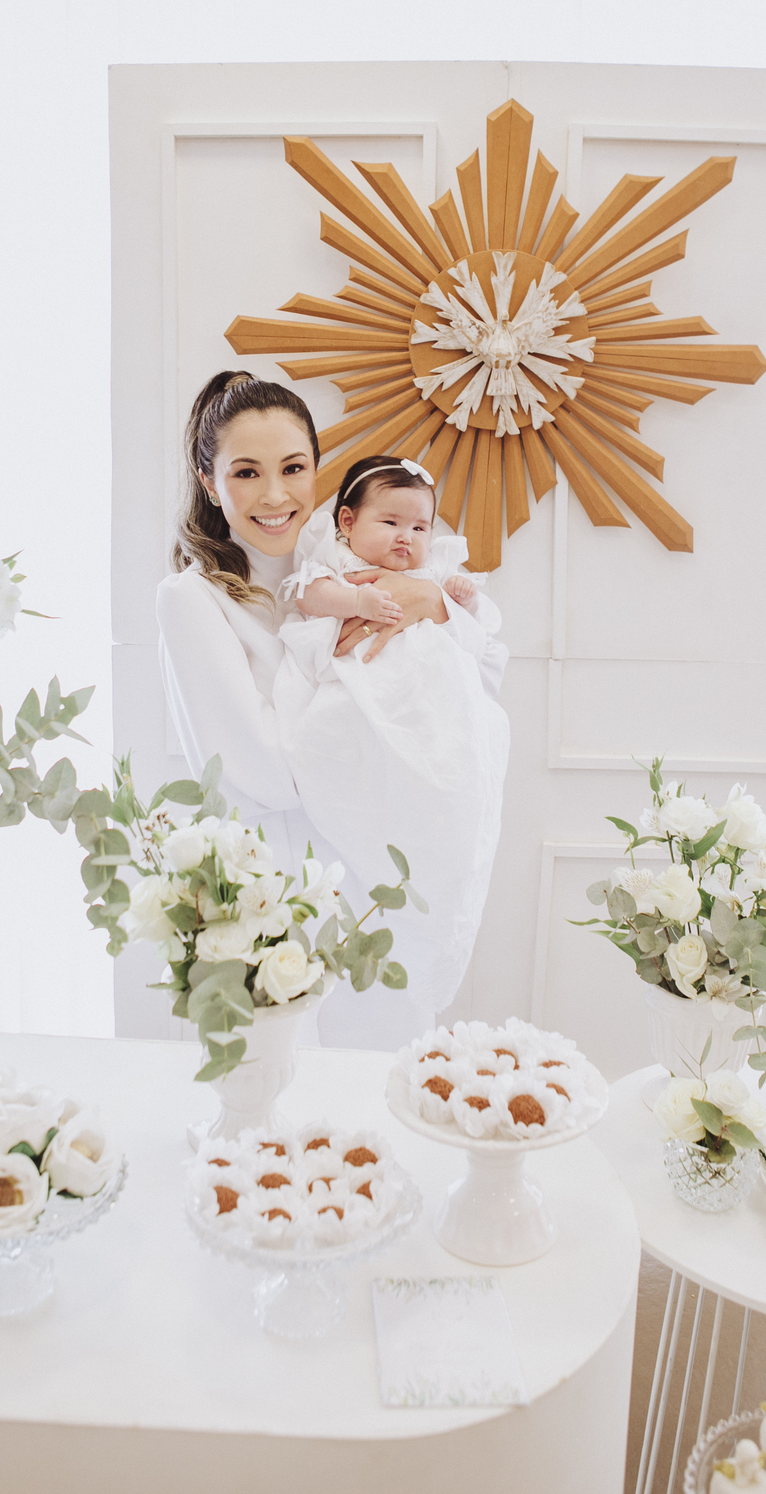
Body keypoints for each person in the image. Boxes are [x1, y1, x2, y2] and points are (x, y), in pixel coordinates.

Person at [156, 370, 508, 1048]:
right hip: (280, 894)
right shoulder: (193, 599)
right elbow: (267, 774)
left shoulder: (347, 561)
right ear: (210, 482)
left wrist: (432, 603)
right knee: (289, 1081)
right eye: (247, 473)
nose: (275, 495)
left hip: (380, 882)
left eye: (293, 468)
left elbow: (484, 678)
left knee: (386, 1079)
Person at [274, 456, 510, 1015]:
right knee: (341, 739)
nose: (407, 537)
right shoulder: (337, 561)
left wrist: (457, 599)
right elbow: (307, 595)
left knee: (450, 782)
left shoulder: (432, 576)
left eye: (420, 526)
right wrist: (357, 601)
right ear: (348, 522)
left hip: (431, 706)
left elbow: (481, 636)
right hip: (361, 693)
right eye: (391, 522)